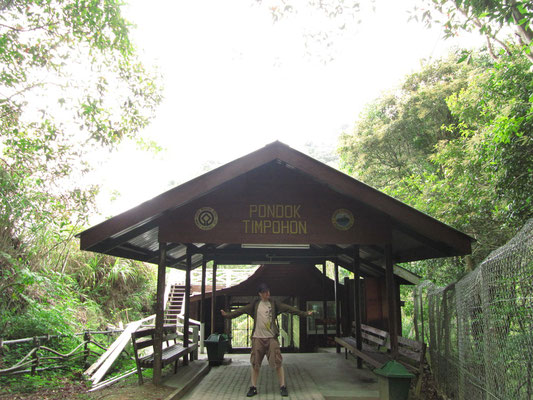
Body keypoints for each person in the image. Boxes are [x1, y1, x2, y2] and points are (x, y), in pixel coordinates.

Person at [220, 283, 314, 397]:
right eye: (264, 292)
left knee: (278, 362)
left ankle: (282, 386)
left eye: (268, 292)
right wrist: (227, 315)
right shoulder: (255, 305)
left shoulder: (274, 304)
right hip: (257, 338)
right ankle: (253, 387)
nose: (267, 294)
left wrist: (304, 314)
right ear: (260, 294)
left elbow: (289, 309)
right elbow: (241, 311)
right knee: (255, 363)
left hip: (271, 338)